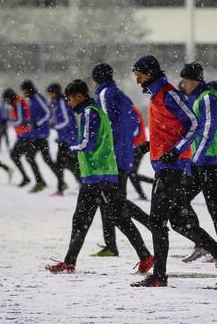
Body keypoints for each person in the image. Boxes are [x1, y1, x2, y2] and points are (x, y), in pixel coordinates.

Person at [130, 55, 217, 287]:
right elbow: (171, 128)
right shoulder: (158, 96)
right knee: (178, 221)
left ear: (149, 72)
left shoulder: (169, 94)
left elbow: (194, 124)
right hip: (167, 165)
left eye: (138, 73)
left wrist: (176, 151)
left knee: (157, 221)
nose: (136, 79)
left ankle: (159, 275)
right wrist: (151, 145)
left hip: (172, 168)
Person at [45, 79, 154, 275]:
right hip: (101, 174)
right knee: (113, 217)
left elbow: (88, 142)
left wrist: (71, 147)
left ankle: (145, 254)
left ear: (79, 96)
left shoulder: (89, 112)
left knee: (86, 219)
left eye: (71, 99)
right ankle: (144, 255)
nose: (70, 104)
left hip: (98, 175)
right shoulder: (94, 110)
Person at [91, 63, 151, 257]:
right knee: (115, 201)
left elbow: (104, 127)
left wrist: (104, 151)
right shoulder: (120, 95)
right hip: (124, 154)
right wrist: (127, 145)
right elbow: (133, 121)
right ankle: (113, 243)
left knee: (110, 202)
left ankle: (115, 243)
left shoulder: (104, 95)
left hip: (111, 157)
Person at [178, 62, 217, 261]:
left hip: (211, 161)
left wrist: (196, 158)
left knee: (215, 208)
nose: (182, 85)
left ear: (192, 80)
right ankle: (203, 243)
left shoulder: (208, 98)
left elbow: (208, 131)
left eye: (184, 81)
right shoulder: (198, 97)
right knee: (181, 200)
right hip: (201, 160)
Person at [21, 80, 59, 193]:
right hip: (36, 134)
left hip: (41, 134)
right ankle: (46, 181)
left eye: (25, 90)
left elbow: (48, 112)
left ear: (29, 89)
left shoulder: (37, 98)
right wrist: (28, 122)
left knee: (33, 157)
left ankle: (42, 182)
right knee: (40, 158)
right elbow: (35, 115)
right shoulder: (32, 100)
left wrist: (39, 123)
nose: (24, 93)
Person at [3, 88, 42, 188]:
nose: (6, 102)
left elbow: (20, 120)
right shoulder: (16, 103)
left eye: (6, 99)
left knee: (18, 156)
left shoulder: (18, 103)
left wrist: (8, 122)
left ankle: (32, 179)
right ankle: (36, 179)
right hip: (23, 135)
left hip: (26, 135)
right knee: (29, 158)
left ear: (10, 97)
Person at [47, 83, 81, 196]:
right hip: (64, 138)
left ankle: (61, 188)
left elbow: (67, 120)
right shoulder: (57, 102)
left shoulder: (62, 101)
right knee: (71, 164)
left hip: (69, 139)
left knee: (62, 164)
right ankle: (82, 184)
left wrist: (56, 126)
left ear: (55, 92)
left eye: (50, 93)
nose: (49, 95)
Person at [129, 105, 155, 200]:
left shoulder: (130, 110)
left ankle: (156, 183)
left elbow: (135, 129)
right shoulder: (129, 109)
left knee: (131, 172)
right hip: (136, 144)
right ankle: (143, 193)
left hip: (138, 145)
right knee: (131, 172)